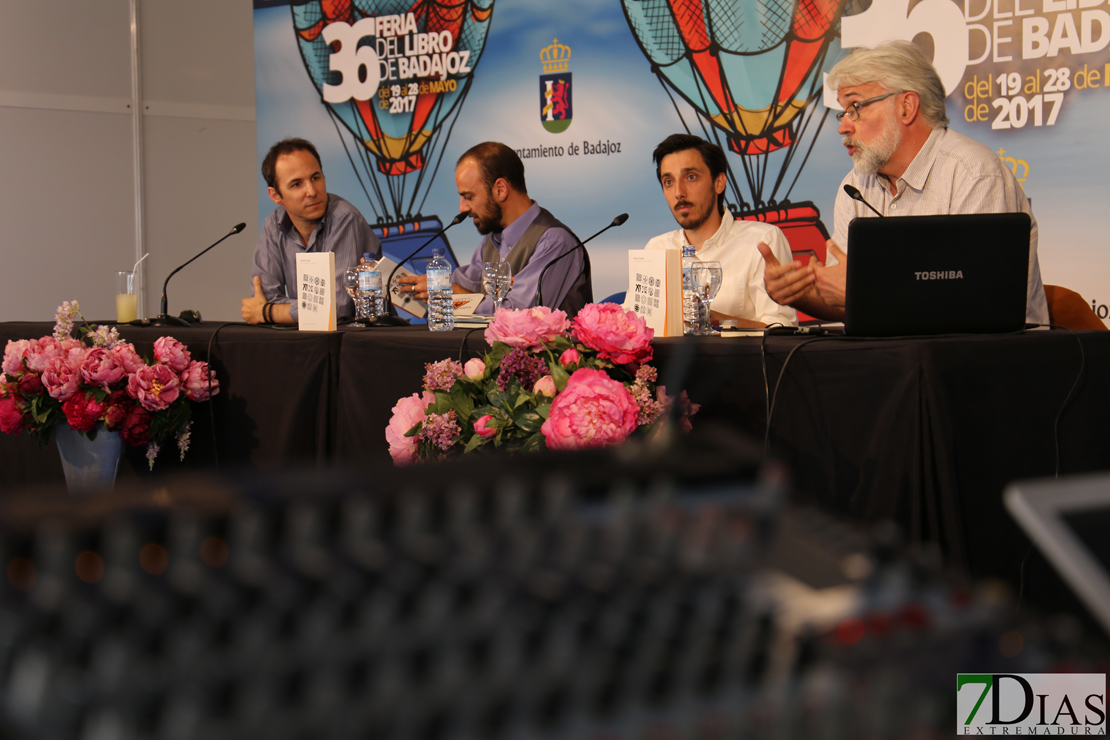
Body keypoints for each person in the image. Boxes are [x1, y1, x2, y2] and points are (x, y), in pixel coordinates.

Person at [760, 41, 1049, 324]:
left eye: (855, 107)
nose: (843, 126)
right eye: (843, 112)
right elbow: (849, 303)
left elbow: (979, 306)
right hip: (900, 361)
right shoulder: (855, 187)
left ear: (906, 107)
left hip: (989, 363)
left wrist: (871, 293)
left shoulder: (974, 174)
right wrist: (797, 295)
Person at [397, 142, 591, 315]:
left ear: (500, 190)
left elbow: (520, 314)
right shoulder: (491, 241)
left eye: (469, 196)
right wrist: (415, 283)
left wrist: (456, 296)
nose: (462, 208)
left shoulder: (555, 241)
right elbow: (465, 283)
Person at [636, 134, 797, 328]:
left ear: (719, 182)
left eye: (691, 177)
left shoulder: (762, 240)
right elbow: (634, 323)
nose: (679, 192)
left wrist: (714, 320)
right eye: (668, 182)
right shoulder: (657, 248)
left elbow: (782, 329)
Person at [242, 137, 380, 325]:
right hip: (305, 341)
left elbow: (337, 308)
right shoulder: (273, 224)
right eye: (297, 184)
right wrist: (281, 309)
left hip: (357, 341)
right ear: (275, 196)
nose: (312, 191)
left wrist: (268, 313)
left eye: (316, 178)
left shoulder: (344, 218)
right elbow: (264, 297)